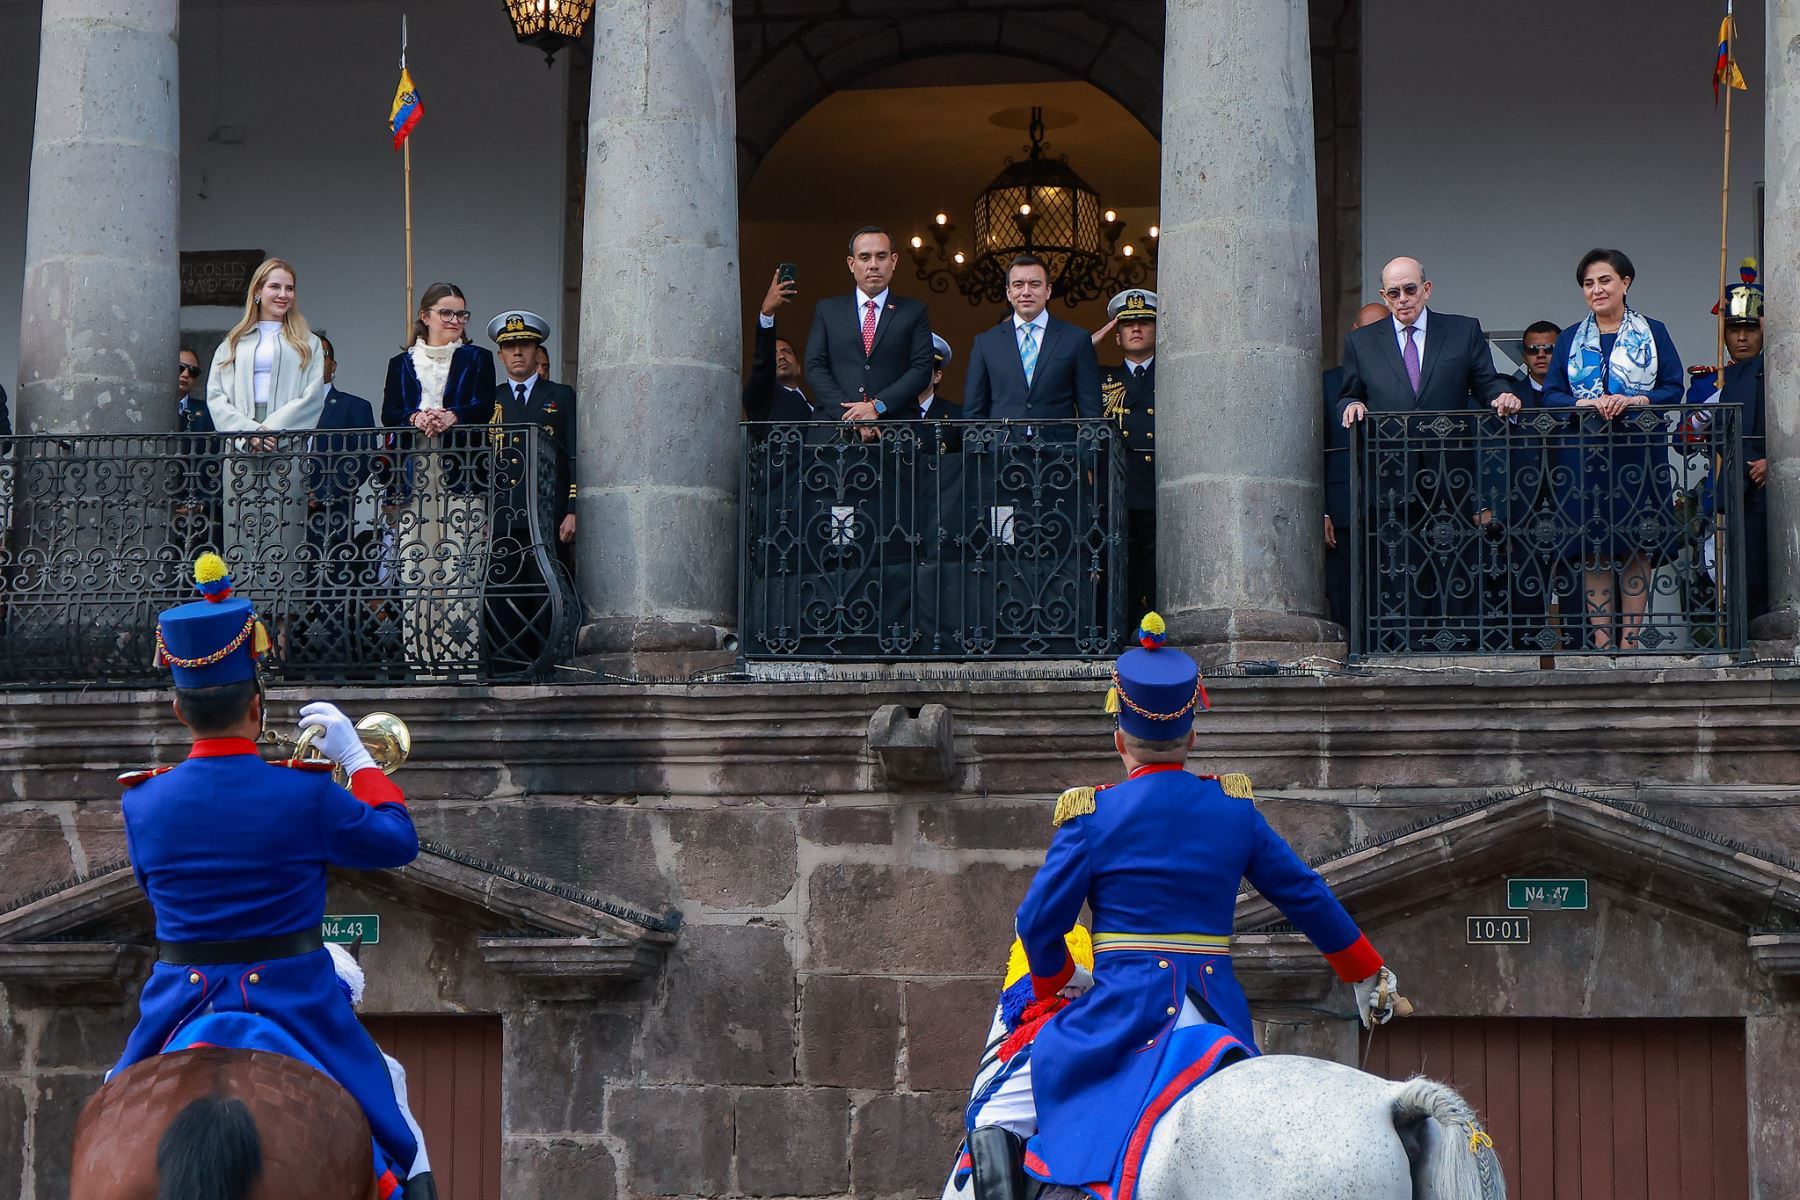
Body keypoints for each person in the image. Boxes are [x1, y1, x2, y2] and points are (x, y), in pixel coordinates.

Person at [966, 613, 1396, 1200]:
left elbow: (1038, 924)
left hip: (1120, 1017)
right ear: (1192, 736)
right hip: (1217, 1018)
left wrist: (1062, 980)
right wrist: (1365, 972)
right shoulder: (1233, 810)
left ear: (1119, 736)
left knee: (997, 1112)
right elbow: (1305, 895)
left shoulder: (1091, 814)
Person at [111, 552, 427, 1199]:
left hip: (176, 1004)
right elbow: (398, 841)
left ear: (180, 711)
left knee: (106, 1118)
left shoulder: (142, 802)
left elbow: (156, 893)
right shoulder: (302, 794)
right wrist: (357, 757)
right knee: (398, 1133)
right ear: (257, 705)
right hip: (295, 1001)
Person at [1335, 257, 1521, 649]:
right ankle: (1404, 643)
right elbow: (1349, 392)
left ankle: (1461, 642)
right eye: (1393, 293)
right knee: (1398, 561)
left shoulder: (1461, 330)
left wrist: (1501, 395)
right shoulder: (1362, 341)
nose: (1403, 299)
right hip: (1390, 473)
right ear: (1384, 297)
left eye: (1410, 289)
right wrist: (1351, 407)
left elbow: (1485, 383)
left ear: (1427, 289)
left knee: (1455, 555)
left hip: (1450, 469)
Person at [1541, 248, 1684, 651]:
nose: (1596, 289)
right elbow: (1552, 395)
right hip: (1584, 455)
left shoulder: (1653, 331)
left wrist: (1637, 401)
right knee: (1593, 550)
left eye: (1604, 280)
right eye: (1588, 283)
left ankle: (1630, 642)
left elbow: (1674, 387)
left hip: (1637, 452)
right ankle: (1603, 642)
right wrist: (1585, 403)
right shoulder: (1570, 337)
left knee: (1638, 544)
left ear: (1626, 283)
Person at [381, 282, 497, 669]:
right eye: (446, 313)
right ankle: (422, 661)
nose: (454, 321)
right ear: (425, 316)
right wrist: (415, 416)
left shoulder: (477, 358)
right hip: (415, 467)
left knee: (459, 562)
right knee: (419, 566)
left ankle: (459, 659)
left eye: (461, 314)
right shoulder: (401, 363)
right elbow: (390, 411)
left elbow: (482, 405)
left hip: (461, 468)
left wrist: (453, 415)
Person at [205, 258, 328, 618]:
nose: (283, 294)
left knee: (283, 537)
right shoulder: (233, 342)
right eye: (275, 286)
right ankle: (246, 627)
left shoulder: (308, 343)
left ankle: (283, 636)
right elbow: (216, 396)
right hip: (241, 447)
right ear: (257, 291)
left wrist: (272, 429)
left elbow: (311, 396)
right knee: (242, 535)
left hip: (284, 446)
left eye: (289, 287)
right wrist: (248, 432)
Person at [484, 309, 578, 673]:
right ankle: (509, 664)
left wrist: (571, 507)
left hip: (547, 511)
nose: (518, 353)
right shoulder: (490, 400)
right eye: (510, 348)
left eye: (525, 345)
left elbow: (573, 453)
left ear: (538, 351)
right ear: (501, 355)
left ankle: (548, 662)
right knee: (505, 587)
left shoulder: (560, 395)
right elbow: (482, 461)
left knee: (545, 585)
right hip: (503, 513)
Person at [293, 335, 382, 673]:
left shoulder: (353, 406)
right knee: (289, 581)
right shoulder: (289, 406)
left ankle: (330, 662)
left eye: (322, 355)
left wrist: (323, 494)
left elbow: (359, 459)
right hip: (287, 516)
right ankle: (288, 655)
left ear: (333, 364)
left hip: (331, 513)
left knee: (330, 583)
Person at [1689, 267, 1768, 620]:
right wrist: (1707, 412)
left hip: (1771, 483)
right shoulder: (1714, 380)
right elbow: (1685, 439)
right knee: (1737, 578)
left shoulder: (1780, 370)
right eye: (1734, 329)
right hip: (1732, 487)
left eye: (1750, 329)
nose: (1741, 338)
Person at [804, 227, 935, 427]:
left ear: (894, 261)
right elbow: (814, 367)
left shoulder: (914, 311)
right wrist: (852, 416)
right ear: (851, 263)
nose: (873, 265)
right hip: (834, 432)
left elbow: (922, 369)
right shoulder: (827, 310)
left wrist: (877, 406)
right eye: (864, 257)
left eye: (881, 256)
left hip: (894, 434)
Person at [1321, 302, 1392, 633]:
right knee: (1345, 588)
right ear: (1353, 333)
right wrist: (1321, 512)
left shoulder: (1402, 378)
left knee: (1392, 584)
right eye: (1366, 330)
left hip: (1393, 502)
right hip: (1343, 507)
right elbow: (1316, 450)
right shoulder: (1328, 382)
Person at [963, 254, 1102, 423]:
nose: (1026, 292)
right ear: (1008, 292)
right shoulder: (985, 343)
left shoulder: (1077, 339)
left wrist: (1088, 449)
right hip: (1002, 447)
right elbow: (973, 412)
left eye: (1034, 284)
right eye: (1018, 285)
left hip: (1059, 448)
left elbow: (1091, 411)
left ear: (1048, 290)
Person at [1098, 290, 1159, 616]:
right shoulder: (1101, 378)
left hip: (1157, 485)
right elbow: (1057, 366)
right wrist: (1089, 340)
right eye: (1128, 324)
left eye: (1145, 322)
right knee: (1119, 567)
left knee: (1157, 569)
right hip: (1116, 487)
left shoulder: (1174, 373)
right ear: (1117, 336)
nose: (1136, 329)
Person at [744, 268, 815, 421]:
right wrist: (767, 313)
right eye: (774, 353)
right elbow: (762, 363)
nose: (781, 356)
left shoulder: (817, 406)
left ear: (798, 367)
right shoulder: (761, 396)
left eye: (786, 351)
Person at [172, 344, 220, 550]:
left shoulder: (206, 412)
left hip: (194, 514)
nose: (185, 374)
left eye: (193, 371)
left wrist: (201, 503)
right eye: (180, 368)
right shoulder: (145, 410)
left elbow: (216, 461)